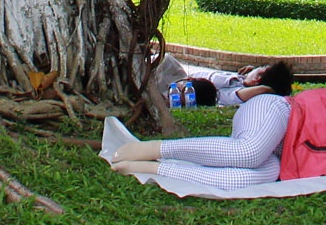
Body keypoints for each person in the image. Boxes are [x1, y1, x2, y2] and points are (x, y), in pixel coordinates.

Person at [109, 61, 295, 192]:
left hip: (285, 152)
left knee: (244, 179)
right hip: (279, 114)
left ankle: (151, 168)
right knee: (248, 153)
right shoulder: (269, 98)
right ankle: (151, 149)